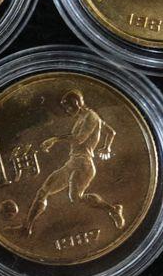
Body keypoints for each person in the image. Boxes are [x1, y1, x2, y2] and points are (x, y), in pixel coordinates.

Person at [22, 89, 124, 236]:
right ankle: (27, 228)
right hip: (73, 162)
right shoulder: (85, 117)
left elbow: (79, 139)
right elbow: (111, 132)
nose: (67, 111)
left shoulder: (91, 117)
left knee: (76, 198)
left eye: (68, 107)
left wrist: (55, 139)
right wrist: (106, 147)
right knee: (43, 191)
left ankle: (113, 210)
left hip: (83, 164)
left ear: (76, 103)